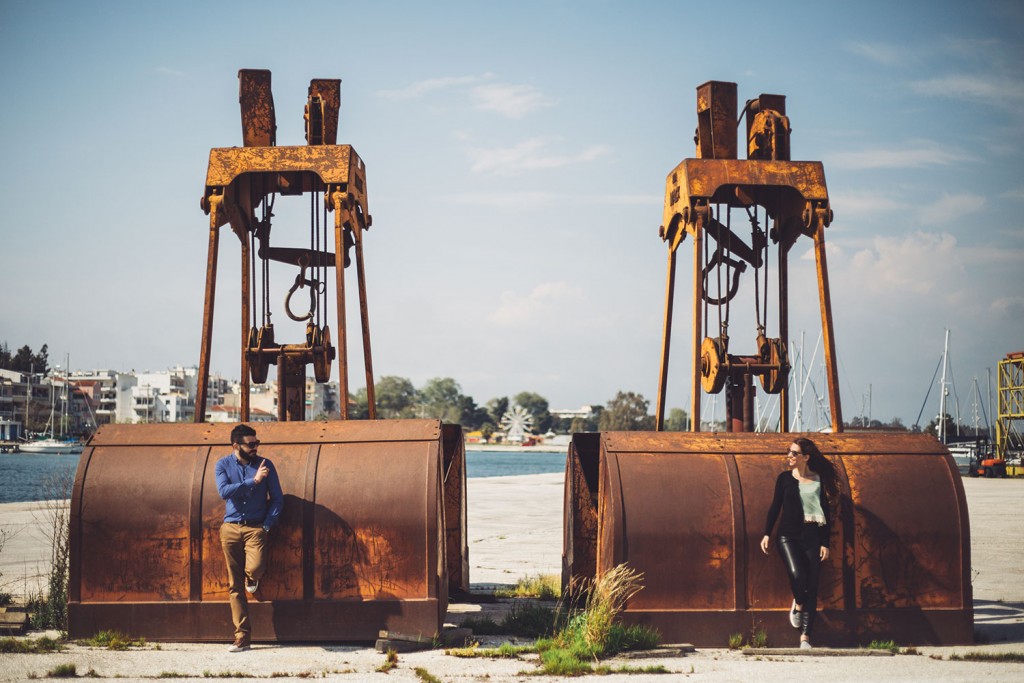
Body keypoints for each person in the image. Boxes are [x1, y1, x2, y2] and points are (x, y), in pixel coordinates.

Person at [759, 437, 837, 649]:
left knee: (812, 585)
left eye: (794, 453)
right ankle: (799, 603)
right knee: (797, 575)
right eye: (789, 451)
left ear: (806, 457)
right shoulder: (784, 478)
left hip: (812, 537)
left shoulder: (818, 480)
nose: (790, 456)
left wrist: (825, 543)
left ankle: (805, 638)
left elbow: (826, 514)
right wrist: (767, 533)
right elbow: (775, 507)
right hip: (787, 537)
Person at [215, 424, 284, 653]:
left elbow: (277, 499)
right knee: (234, 586)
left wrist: (266, 525)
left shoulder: (266, 465)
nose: (256, 447)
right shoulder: (222, 465)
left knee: (254, 569)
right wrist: (253, 482)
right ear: (236, 446)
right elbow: (224, 492)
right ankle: (242, 637)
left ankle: (251, 578)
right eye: (251, 444)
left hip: (256, 528)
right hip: (231, 528)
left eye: (257, 443)